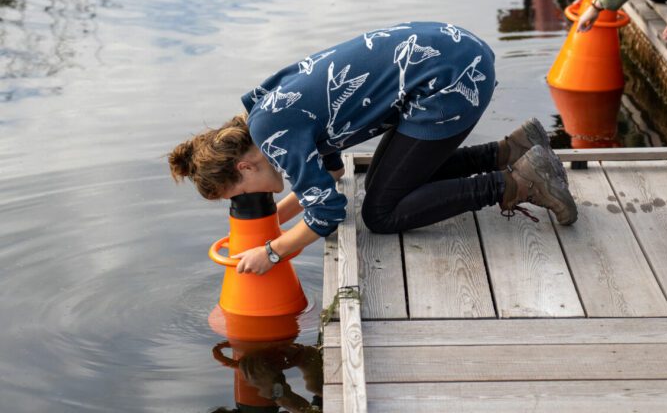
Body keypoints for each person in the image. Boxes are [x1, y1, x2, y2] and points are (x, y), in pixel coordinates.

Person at [169, 22, 577, 275]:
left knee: (381, 212)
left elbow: (328, 212)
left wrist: (273, 253)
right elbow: (331, 176)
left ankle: (519, 182)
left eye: (240, 193)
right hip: (453, 54)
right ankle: (512, 149)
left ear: (242, 167)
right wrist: (276, 220)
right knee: (391, 181)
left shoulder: (274, 135)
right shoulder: (265, 113)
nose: (251, 198)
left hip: (451, 79)